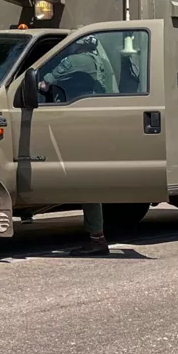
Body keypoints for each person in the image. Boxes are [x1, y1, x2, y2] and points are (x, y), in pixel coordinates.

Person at [38, 35, 116, 255]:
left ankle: (97, 238)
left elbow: (42, 84)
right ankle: (96, 236)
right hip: (100, 124)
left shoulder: (76, 61)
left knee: (87, 183)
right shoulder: (101, 61)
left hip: (83, 126)